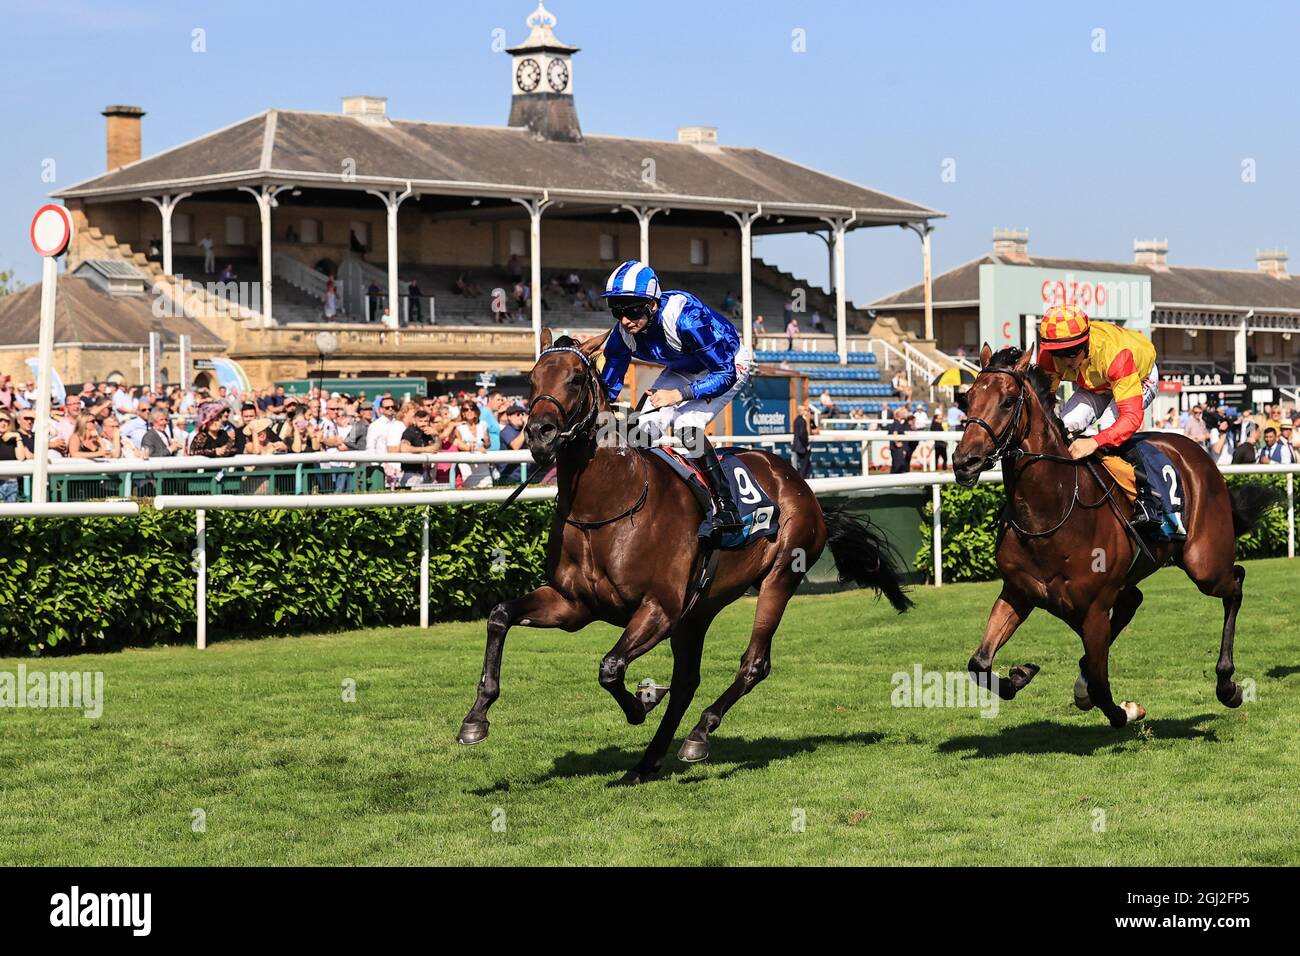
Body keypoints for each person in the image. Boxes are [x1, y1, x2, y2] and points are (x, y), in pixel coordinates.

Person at [597, 259, 750, 534]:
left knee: (685, 427)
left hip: (726, 363)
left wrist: (679, 395)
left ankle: (726, 506)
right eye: (616, 310)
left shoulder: (685, 317)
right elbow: (608, 388)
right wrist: (604, 416)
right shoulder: (622, 334)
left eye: (631, 310)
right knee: (640, 432)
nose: (624, 320)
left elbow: (724, 373)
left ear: (653, 304)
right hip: (683, 366)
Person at [1036, 303, 1172, 537]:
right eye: (1058, 353)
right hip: (1095, 384)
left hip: (1138, 377)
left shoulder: (1115, 353)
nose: (1065, 361)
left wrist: (1094, 442)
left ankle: (1148, 500)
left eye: (1071, 352)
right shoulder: (1049, 357)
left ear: (1085, 342)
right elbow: (1042, 403)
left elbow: (1131, 418)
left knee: (1110, 429)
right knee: (1064, 425)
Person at [453, 401, 493, 488]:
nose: (469, 411)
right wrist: (476, 449)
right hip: (467, 466)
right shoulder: (459, 428)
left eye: (472, 409)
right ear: (463, 413)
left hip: (483, 464)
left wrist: (487, 442)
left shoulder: (483, 424)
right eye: (466, 409)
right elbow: (460, 446)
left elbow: (487, 445)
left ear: (476, 412)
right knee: (471, 494)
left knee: (488, 491)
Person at [496, 404, 529, 484]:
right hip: (509, 476)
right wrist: (526, 426)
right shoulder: (506, 431)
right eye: (518, 414)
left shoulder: (523, 430)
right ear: (509, 417)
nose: (521, 417)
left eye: (523, 414)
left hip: (524, 473)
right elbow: (516, 446)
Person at [791, 402, 818, 478]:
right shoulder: (802, 421)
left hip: (798, 446)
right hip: (802, 447)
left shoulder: (796, 420)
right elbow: (802, 435)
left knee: (801, 465)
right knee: (804, 466)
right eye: (806, 410)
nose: (807, 412)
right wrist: (807, 445)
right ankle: (802, 481)